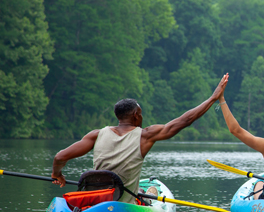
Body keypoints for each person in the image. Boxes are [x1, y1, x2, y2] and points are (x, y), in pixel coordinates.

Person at [51, 74, 229, 203]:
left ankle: (143, 193)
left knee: (139, 191)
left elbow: (59, 157)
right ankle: (146, 195)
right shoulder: (145, 135)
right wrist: (213, 98)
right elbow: (184, 121)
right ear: (136, 115)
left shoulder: (96, 135)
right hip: (123, 206)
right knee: (144, 196)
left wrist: (57, 174)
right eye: (141, 114)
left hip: (97, 203)